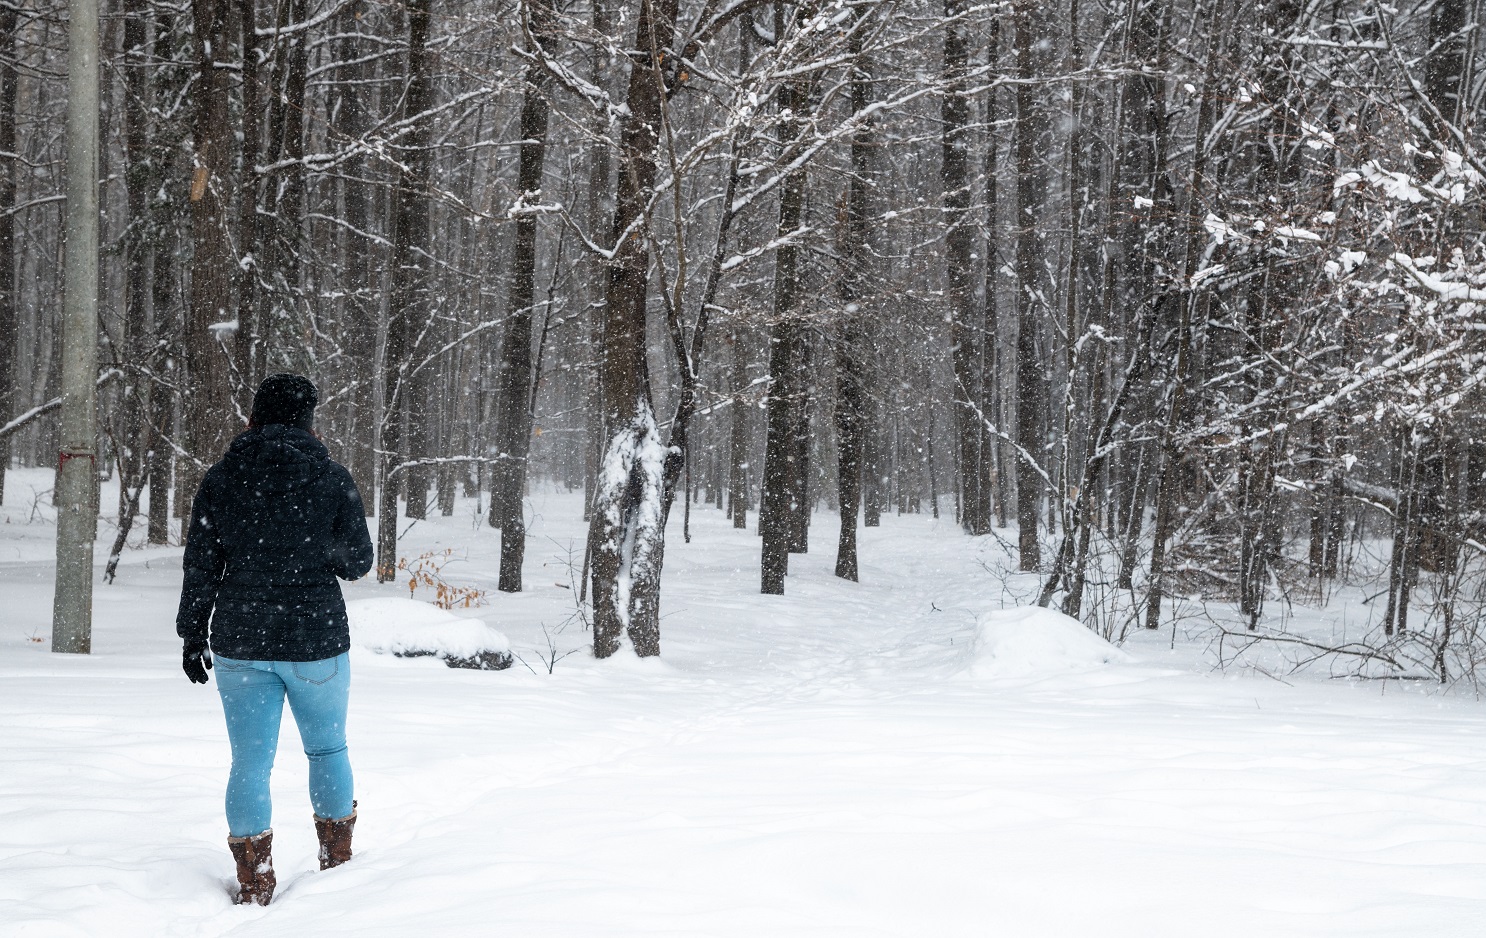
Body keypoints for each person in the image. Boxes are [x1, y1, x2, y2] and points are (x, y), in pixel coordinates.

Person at [175, 373, 374, 906]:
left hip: (242, 642)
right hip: (317, 641)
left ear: (253, 419)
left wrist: (192, 632)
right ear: (310, 421)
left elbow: (201, 565)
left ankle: (254, 879)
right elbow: (358, 562)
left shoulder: (221, 479)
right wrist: (313, 546)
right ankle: (337, 867)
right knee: (327, 749)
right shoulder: (333, 480)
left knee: (249, 763)